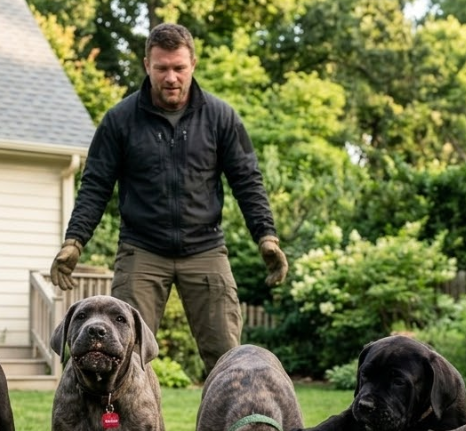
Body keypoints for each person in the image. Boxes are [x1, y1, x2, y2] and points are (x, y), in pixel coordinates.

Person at [49, 22, 288, 376]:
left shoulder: (220, 117)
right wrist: (74, 241)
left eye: (179, 68)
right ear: (147, 65)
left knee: (231, 361)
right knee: (123, 355)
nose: (171, 77)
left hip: (205, 248)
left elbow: (247, 181)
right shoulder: (120, 120)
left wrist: (266, 236)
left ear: (193, 64)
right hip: (141, 250)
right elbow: (95, 185)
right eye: (162, 68)